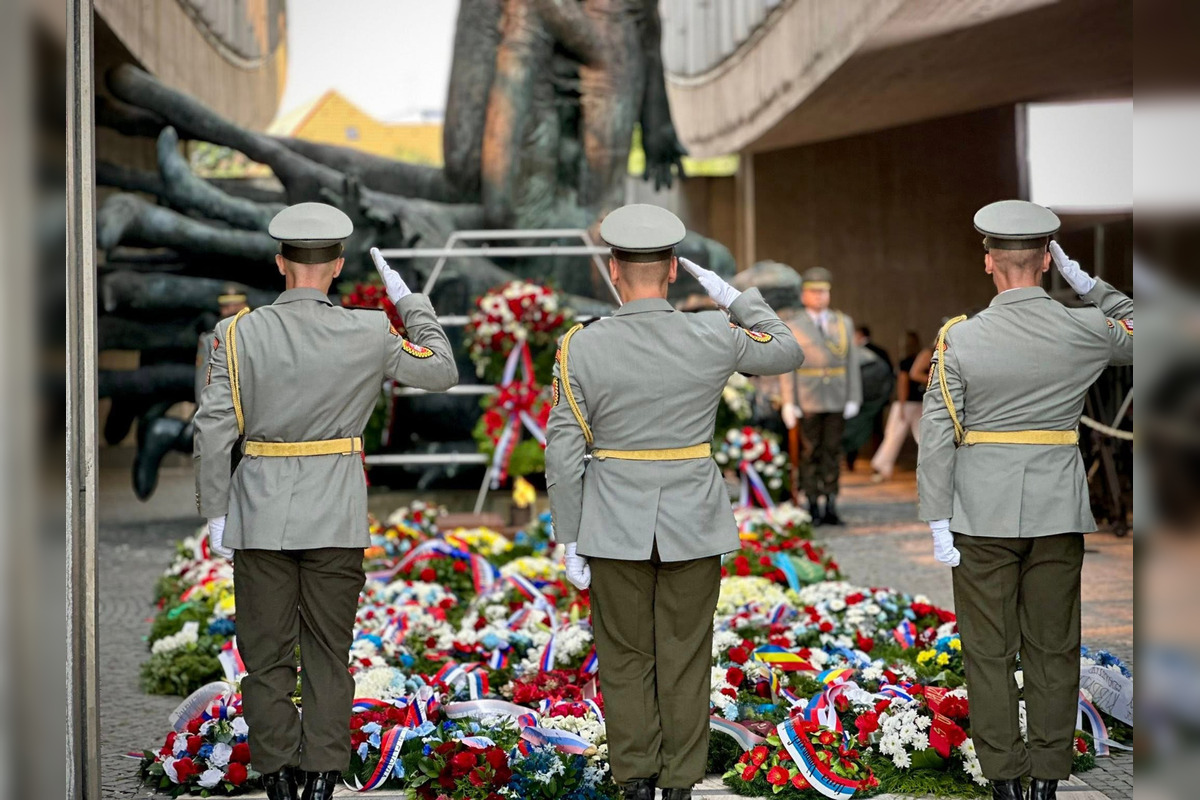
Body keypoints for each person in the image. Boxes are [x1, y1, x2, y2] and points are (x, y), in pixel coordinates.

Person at [194, 202, 458, 800]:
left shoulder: (236, 333)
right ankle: (321, 774)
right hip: (336, 512)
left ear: (280, 261)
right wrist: (408, 301)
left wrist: (215, 509)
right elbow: (441, 370)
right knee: (327, 652)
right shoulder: (368, 330)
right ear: (338, 265)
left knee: (264, 655)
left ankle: (278, 774)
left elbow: (212, 429)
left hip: (259, 512)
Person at [545, 204, 804, 800]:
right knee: (686, 655)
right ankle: (681, 782)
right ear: (671, 272)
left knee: (624, 655)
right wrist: (732, 295)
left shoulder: (581, 346)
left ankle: (636, 778)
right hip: (692, 518)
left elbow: (563, 451)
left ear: (614, 270)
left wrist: (570, 535)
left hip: (612, 521)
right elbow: (786, 349)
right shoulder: (711, 330)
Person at [917, 200, 1132, 800]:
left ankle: (1005, 781)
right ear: (1046, 261)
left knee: (988, 650)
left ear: (988, 261)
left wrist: (937, 516)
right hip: (1056, 508)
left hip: (980, 513)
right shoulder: (1085, 326)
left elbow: (937, 433)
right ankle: (1046, 778)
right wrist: (1092, 287)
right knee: (1054, 647)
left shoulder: (959, 338)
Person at [133, 287, 250, 500]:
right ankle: (162, 433)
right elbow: (204, 380)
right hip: (224, 412)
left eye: (234, 305)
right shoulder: (211, 339)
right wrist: (206, 413)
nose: (229, 309)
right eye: (226, 306)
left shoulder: (257, 334)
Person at [779, 267, 862, 525]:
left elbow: (851, 362)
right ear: (803, 294)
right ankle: (813, 503)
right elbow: (788, 364)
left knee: (832, 451)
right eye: (813, 292)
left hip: (836, 397)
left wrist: (853, 396)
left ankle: (831, 502)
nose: (819, 296)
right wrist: (789, 402)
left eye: (823, 292)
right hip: (808, 398)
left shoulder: (842, 322)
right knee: (809, 452)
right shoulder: (793, 324)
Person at [869, 330, 925, 482]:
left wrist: (901, 405)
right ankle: (929, 465)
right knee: (923, 436)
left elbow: (902, 384)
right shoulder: (922, 360)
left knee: (893, 435)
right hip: (920, 402)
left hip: (906, 403)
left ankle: (882, 465)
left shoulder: (905, 362)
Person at [842, 328, 894, 471]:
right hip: (877, 399)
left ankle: (850, 461)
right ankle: (876, 459)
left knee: (854, 428)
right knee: (876, 430)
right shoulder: (880, 352)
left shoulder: (854, 353)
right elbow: (890, 376)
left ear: (859, 335)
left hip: (859, 398)